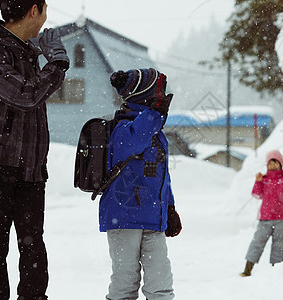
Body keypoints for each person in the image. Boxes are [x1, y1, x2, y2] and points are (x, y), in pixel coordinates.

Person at [0, 0, 69, 299]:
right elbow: (27, 95)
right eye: (45, 10)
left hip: (30, 171)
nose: (46, 19)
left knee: (33, 250)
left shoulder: (25, 52)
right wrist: (57, 63)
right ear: (34, 10)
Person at [101, 68, 182, 300]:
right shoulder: (121, 128)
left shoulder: (155, 132)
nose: (162, 100)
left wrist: (169, 207)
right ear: (144, 96)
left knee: (161, 280)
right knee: (125, 282)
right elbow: (136, 140)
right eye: (158, 94)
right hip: (123, 215)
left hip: (153, 216)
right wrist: (154, 114)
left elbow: (161, 176)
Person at [240, 150, 283, 277]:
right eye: (270, 163)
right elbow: (256, 194)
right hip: (265, 219)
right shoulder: (264, 179)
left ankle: (276, 271)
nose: (273, 166)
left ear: (281, 164)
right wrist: (257, 181)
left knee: (279, 245)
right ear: (266, 165)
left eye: (276, 163)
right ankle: (248, 269)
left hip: (282, 219)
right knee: (257, 242)